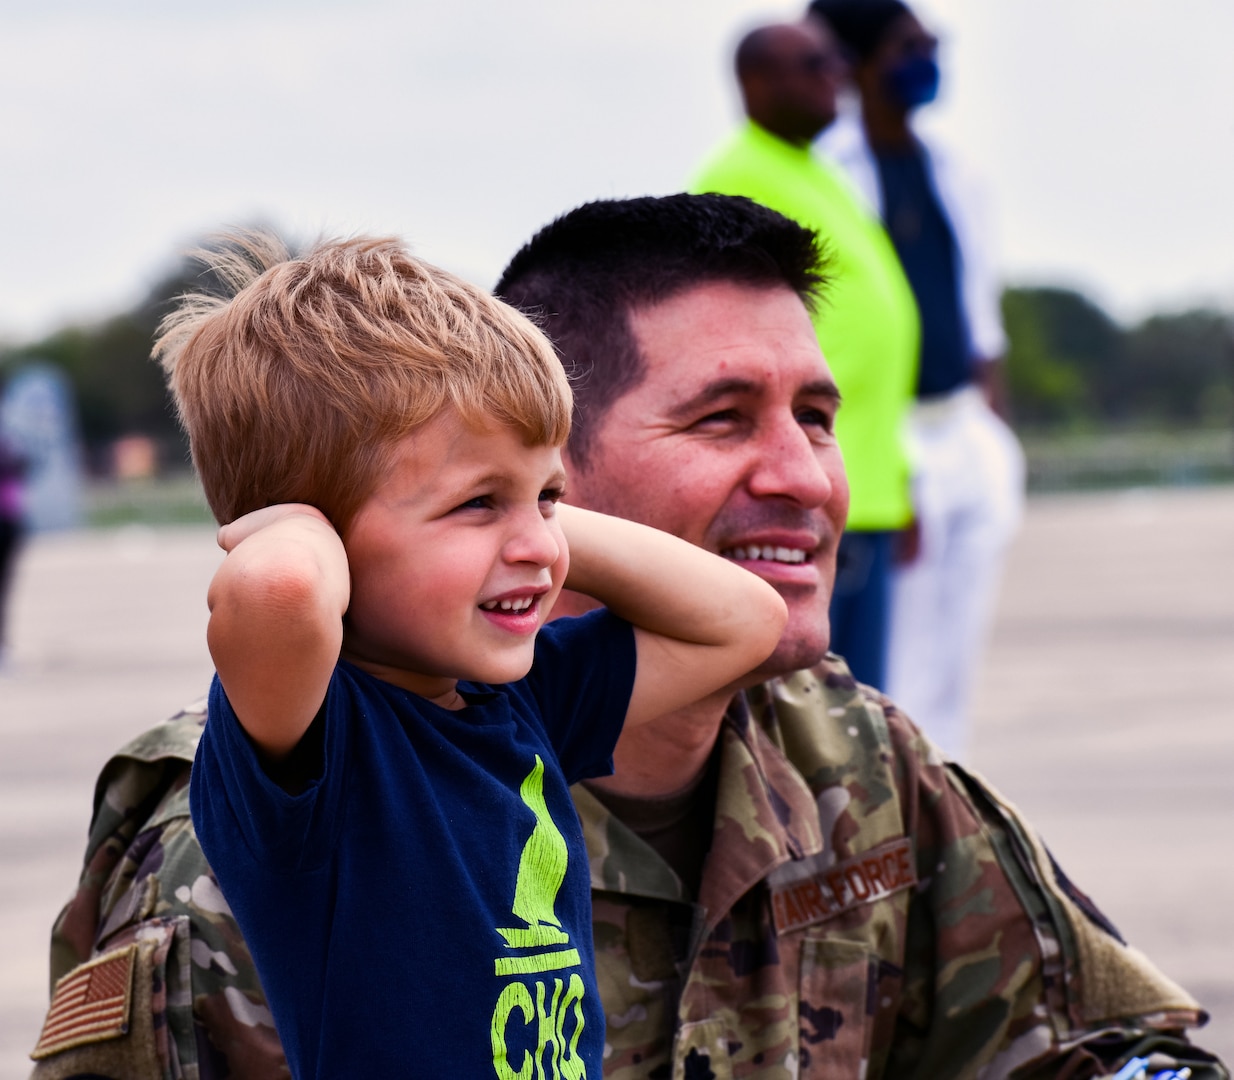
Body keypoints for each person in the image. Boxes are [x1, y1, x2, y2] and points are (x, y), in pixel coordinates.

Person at [35, 200, 1227, 1080]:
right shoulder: (285, 797)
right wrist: (402, 514)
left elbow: (1090, 1047)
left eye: (818, 417)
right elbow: (280, 596)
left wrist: (526, 520)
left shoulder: (833, 750)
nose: (804, 476)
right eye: (723, 419)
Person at [31, 231, 786, 1080]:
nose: (538, 545)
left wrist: (517, 510)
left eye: (549, 494)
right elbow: (278, 593)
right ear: (324, 542)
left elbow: (744, 622)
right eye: (476, 505)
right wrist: (303, 524)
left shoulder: (522, 701)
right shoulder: (313, 749)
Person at [810, 0, 1026, 758]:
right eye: (911, 46)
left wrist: (994, 432)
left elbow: (979, 312)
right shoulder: (830, 172)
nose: (928, 61)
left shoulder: (953, 170)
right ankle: (891, 797)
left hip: (963, 426)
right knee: (895, 652)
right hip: (888, 439)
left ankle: (944, 797)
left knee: (957, 650)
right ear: (860, 61)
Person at [689, 18, 920, 691]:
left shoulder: (815, 169)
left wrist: (902, 481)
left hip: (866, 483)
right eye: (814, 65)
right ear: (755, 82)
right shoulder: (739, 175)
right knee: (812, 699)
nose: (836, 78)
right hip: (804, 484)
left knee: (860, 700)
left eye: (837, 63)